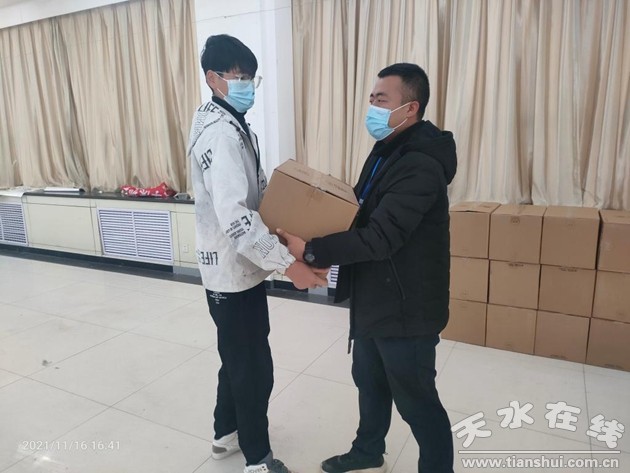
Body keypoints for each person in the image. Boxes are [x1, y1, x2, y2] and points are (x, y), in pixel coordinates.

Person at [278, 63, 457, 473]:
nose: (372, 107)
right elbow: (358, 213)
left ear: (410, 108)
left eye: (381, 99)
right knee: (370, 380)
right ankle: (368, 449)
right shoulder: (388, 150)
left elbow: (380, 236)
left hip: (407, 308)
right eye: (372, 98)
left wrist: (314, 251)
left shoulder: (420, 164)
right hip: (377, 296)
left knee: (417, 400)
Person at [188, 34, 327, 473]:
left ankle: (225, 434)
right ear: (213, 79)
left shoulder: (235, 125)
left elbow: (259, 197)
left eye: (251, 77)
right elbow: (237, 219)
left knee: (236, 358)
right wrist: (289, 265)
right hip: (231, 272)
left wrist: (288, 232)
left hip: (239, 271)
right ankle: (257, 460)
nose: (247, 85)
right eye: (238, 77)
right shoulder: (220, 135)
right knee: (253, 369)